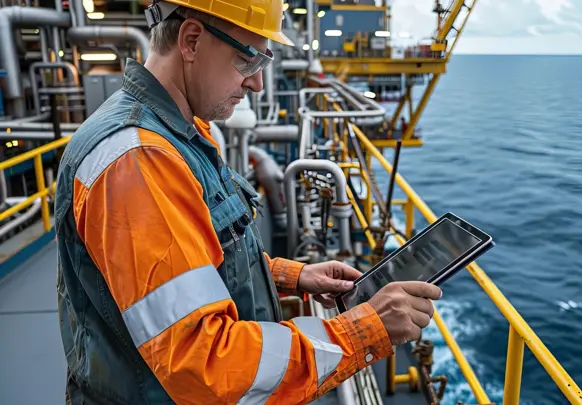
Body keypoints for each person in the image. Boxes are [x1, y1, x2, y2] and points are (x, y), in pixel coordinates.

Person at [53, 0, 442, 404]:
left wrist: (292, 276)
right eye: (248, 60)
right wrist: (366, 329)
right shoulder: (139, 161)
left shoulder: (177, 134)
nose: (256, 83)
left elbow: (194, 262)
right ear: (190, 41)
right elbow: (207, 367)